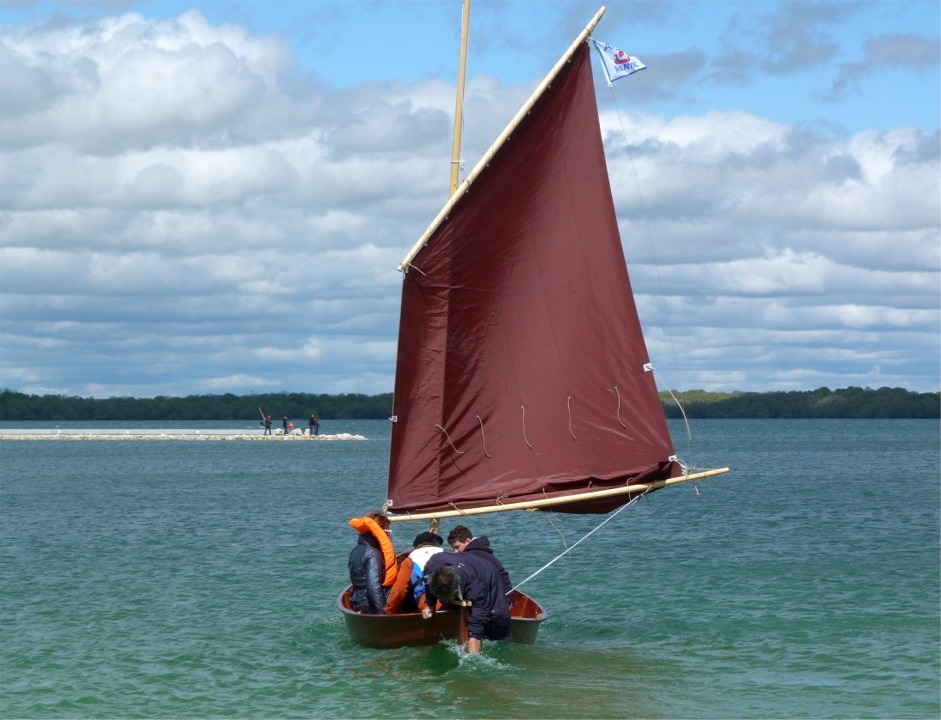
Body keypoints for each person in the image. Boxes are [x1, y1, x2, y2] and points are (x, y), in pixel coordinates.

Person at [421, 550, 511, 653]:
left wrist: (474, 643)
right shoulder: (431, 568)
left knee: (497, 617)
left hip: (486, 573)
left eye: (446, 599)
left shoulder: (476, 586)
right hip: (462, 565)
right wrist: (430, 605)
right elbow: (428, 586)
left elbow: (479, 615)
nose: (442, 601)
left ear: (457, 589)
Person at [447, 525, 514, 605]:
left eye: (457, 547)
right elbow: (502, 573)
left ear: (468, 541)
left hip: (494, 596)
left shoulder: (472, 555)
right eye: (453, 549)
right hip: (499, 591)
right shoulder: (481, 551)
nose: (455, 551)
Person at [348, 512, 397, 614]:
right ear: (379, 532)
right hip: (370, 607)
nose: (388, 536)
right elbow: (374, 586)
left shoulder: (356, 550)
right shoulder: (374, 554)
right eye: (387, 532)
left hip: (359, 602)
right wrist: (384, 613)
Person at [385, 531, 445, 614]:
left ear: (416, 546)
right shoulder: (447, 554)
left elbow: (399, 590)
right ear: (437, 544)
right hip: (450, 603)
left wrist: (389, 611)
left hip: (427, 605)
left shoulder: (409, 560)